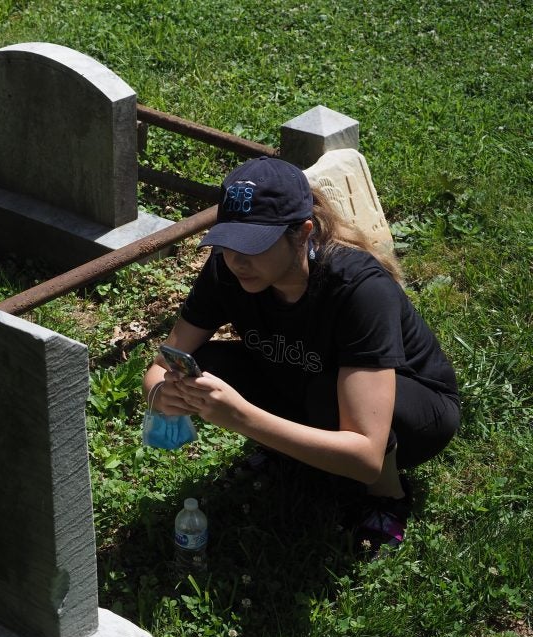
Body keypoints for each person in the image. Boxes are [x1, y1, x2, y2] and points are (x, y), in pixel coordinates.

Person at [143, 156, 459, 549]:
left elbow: (365, 455)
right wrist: (161, 393)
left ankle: (388, 497)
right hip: (303, 376)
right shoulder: (227, 270)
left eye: (253, 246)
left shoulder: (359, 289)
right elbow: (163, 363)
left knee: (327, 396)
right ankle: (290, 453)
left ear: (302, 233)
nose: (237, 260)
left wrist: (240, 417)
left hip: (413, 413)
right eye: (226, 243)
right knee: (207, 365)